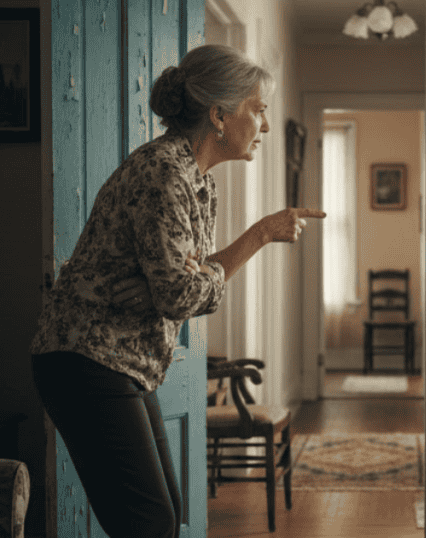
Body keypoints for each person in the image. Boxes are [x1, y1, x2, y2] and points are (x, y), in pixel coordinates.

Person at [29, 44, 325, 538]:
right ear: (219, 115)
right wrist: (260, 234)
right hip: (84, 361)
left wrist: (164, 289)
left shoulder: (197, 180)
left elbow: (181, 285)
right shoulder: (163, 171)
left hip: (122, 362)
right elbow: (182, 294)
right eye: (259, 110)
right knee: (150, 521)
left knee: (164, 514)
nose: (266, 126)